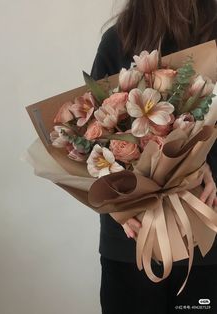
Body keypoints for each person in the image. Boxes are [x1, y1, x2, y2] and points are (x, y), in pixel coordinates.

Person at [90, 1, 217, 313]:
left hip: (202, 235)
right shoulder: (119, 40)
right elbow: (91, 139)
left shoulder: (119, 37)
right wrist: (119, 210)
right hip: (136, 240)